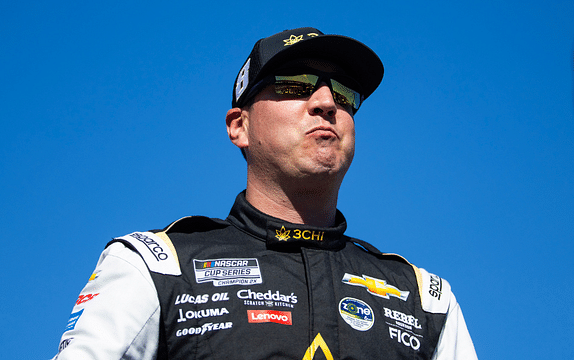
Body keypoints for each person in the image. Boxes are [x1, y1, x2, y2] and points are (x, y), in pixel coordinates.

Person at [51, 27, 478, 360]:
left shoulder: (426, 299)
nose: (327, 101)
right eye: (295, 84)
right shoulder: (155, 265)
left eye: (346, 93)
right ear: (241, 126)